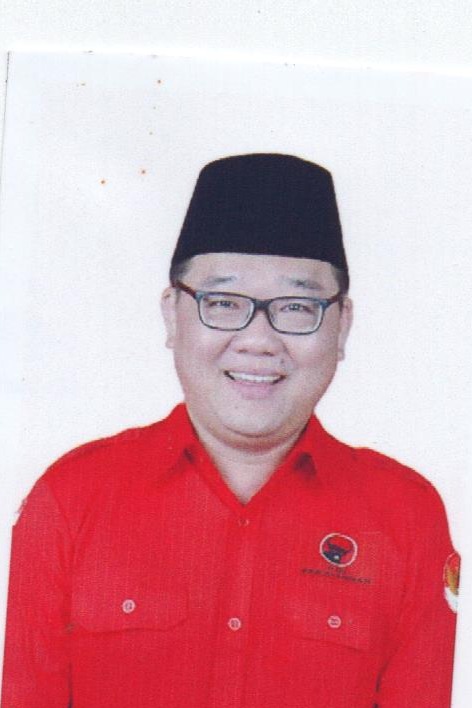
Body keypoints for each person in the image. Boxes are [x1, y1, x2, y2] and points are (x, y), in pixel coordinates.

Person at [1, 154, 459, 707]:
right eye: (222, 302)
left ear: (342, 326)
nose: (258, 341)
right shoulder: (72, 498)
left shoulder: (406, 516)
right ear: (172, 315)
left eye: (298, 306)